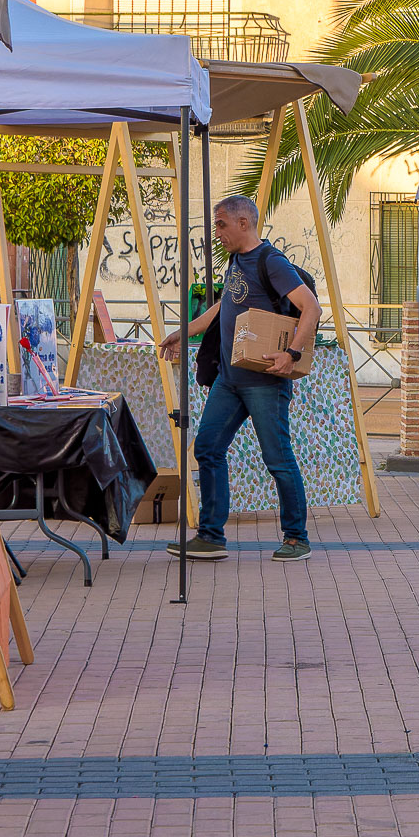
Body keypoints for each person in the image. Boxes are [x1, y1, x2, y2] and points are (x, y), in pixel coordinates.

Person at [158, 195, 320, 562]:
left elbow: (311, 307)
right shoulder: (234, 260)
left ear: (243, 223)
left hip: (265, 381)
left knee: (277, 459)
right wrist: (186, 331)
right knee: (208, 448)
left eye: (221, 225)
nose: (217, 233)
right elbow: (223, 306)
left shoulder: (271, 261)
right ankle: (211, 537)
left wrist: (291, 353)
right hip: (229, 380)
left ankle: (296, 538)